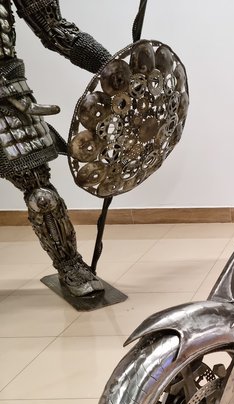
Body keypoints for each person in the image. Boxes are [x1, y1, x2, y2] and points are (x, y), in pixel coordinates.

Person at [1, 0, 112, 296]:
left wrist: (112, 69)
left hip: (6, 101)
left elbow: (55, 29)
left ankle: (70, 265)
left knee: (42, 196)